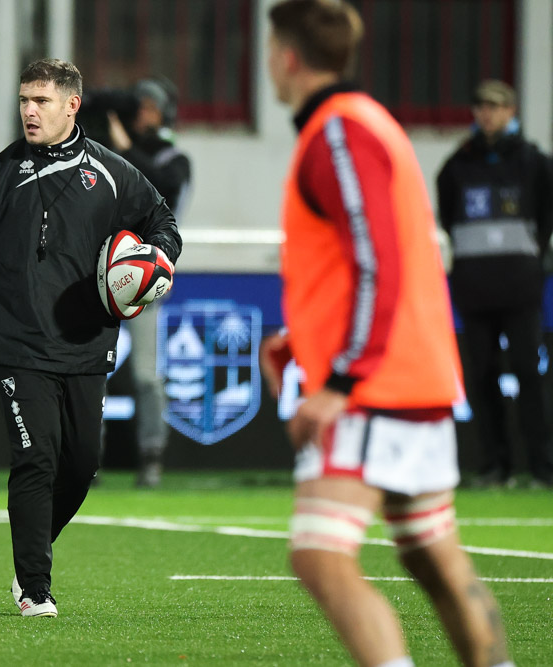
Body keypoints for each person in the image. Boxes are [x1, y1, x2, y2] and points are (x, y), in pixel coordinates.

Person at [260, 2, 512, 665]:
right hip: (415, 373)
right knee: (433, 555)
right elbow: (363, 260)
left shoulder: (337, 132)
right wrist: (301, 337)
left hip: (373, 385)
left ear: (285, 57)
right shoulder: (363, 123)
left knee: (318, 553)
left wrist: (340, 378)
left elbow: (379, 257)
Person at [0, 58, 181, 618]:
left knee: (81, 464)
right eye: (24, 101)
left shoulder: (112, 173)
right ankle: (35, 586)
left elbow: (165, 225)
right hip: (16, 342)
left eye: (41, 101)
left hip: (85, 340)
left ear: (71, 105)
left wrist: (153, 269)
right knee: (36, 457)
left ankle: (28, 554)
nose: (29, 111)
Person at [436, 80, 553, 489]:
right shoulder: (457, 166)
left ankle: (541, 468)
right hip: (474, 288)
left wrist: (532, 259)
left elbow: (546, 218)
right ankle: (494, 466)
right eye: (481, 106)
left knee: (527, 373)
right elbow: (449, 217)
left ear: (511, 112)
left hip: (520, 289)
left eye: (496, 106)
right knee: (482, 376)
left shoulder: (535, 163)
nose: (487, 113)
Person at [104, 77, 193, 487]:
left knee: (145, 374)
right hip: (102, 272)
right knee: (88, 371)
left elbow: (159, 184)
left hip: (145, 275)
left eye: (149, 108)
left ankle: (151, 458)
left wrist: (123, 147)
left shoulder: (175, 159)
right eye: (138, 108)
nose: (142, 116)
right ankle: (85, 459)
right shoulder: (106, 157)